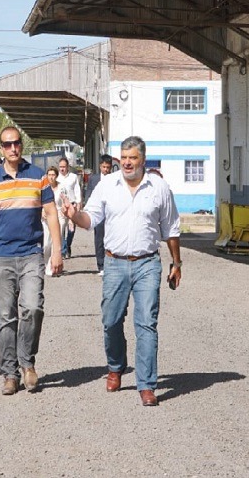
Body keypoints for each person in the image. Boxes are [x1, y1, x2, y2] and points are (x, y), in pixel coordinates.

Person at [62, 136, 181, 407]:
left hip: (147, 264)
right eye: (124, 158)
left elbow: (171, 228)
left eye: (133, 158)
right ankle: (116, 367)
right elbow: (90, 219)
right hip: (114, 263)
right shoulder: (107, 185)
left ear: (143, 160)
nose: (127, 163)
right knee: (111, 321)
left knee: (146, 323)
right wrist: (74, 215)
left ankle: (147, 385)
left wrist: (176, 263)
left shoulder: (159, 188)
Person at [0, 126, 63, 395]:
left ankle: (27, 363)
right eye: (7, 144)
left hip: (31, 254)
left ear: (21, 145)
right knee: (4, 317)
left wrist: (57, 250)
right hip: (0, 256)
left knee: (33, 308)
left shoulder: (38, 176)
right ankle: (10, 374)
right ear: (1, 148)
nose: (13, 148)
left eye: (16, 143)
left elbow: (51, 213)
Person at [85, 154, 114, 276]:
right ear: (100, 166)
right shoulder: (94, 178)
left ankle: (111, 264)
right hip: (98, 214)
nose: (106, 170)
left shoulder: (114, 179)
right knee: (99, 239)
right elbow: (89, 193)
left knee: (111, 239)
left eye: (108, 167)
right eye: (104, 167)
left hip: (111, 214)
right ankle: (101, 265)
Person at [43, 166, 71, 277]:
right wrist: (41, 210)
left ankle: (51, 266)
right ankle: (45, 264)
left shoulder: (61, 187)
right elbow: (38, 201)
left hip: (59, 216)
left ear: (56, 176)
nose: (51, 177)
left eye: (53, 175)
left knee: (56, 242)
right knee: (46, 243)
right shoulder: (44, 187)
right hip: (46, 217)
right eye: (49, 175)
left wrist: (65, 210)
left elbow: (66, 200)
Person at [56, 157, 81, 259]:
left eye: (64, 167)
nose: (62, 169)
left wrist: (78, 203)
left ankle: (68, 245)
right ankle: (63, 250)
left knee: (71, 229)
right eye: (60, 167)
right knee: (61, 228)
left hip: (72, 205)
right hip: (60, 207)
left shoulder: (73, 177)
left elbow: (77, 190)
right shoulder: (56, 177)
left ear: (68, 167)